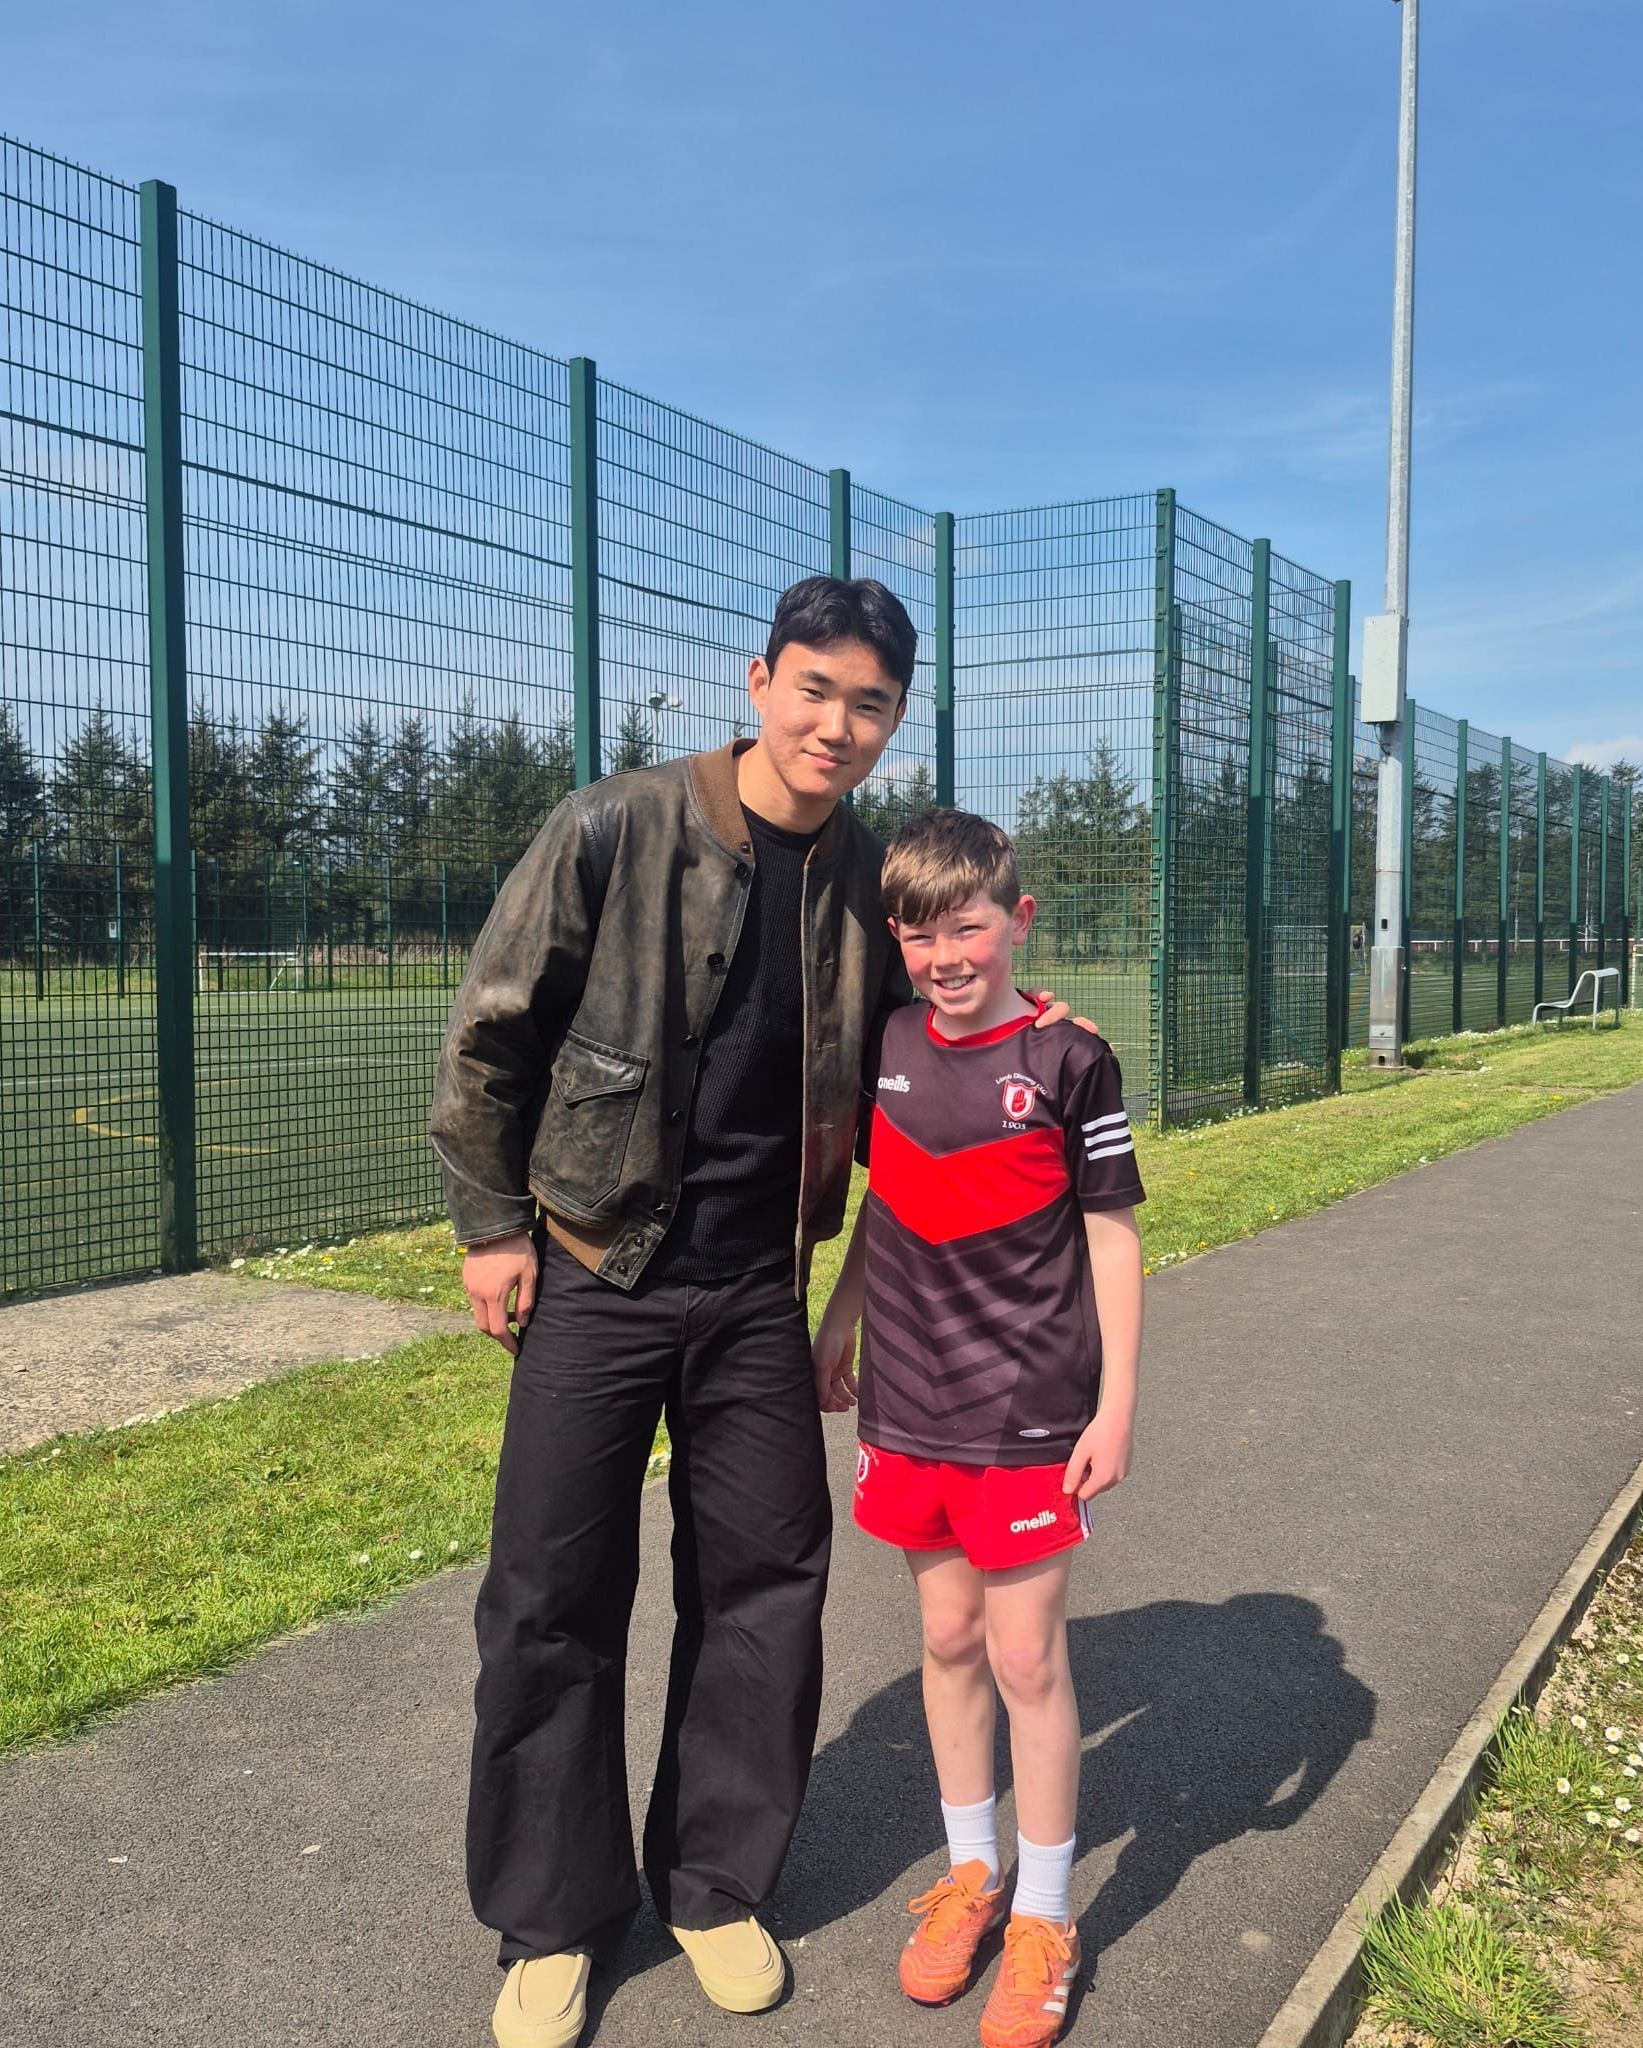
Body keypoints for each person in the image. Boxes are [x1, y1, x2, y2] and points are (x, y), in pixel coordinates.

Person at [429, 577, 1083, 2048]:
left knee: (766, 1586)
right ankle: (551, 1920)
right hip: (599, 1264)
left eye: (869, 704)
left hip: (754, 1290)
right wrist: (489, 1227)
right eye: (813, 689)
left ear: (895, 719)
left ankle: (715, 1885)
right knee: (550, 1593)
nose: (835, 725)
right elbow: (491, 1031)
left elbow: (947, 990)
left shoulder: (866, 873)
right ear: (757, 681)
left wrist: (1048, 1020)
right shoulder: (615, 827)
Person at [812, 808, 1146, 2048]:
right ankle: (972, 1870)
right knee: (944, 1634)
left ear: (1017, 920)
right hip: (905, 1395)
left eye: (968, 927)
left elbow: (1111, 1234)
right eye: (919, 933)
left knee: (1025, 1658)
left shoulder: (1070, 1060)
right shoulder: (889, 1040)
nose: (946, 955)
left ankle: (1046, 1915)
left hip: (1025, 1405)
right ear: (894, 937)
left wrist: (1115, 1401)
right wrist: (836, 1320)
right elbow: (893, 1204)